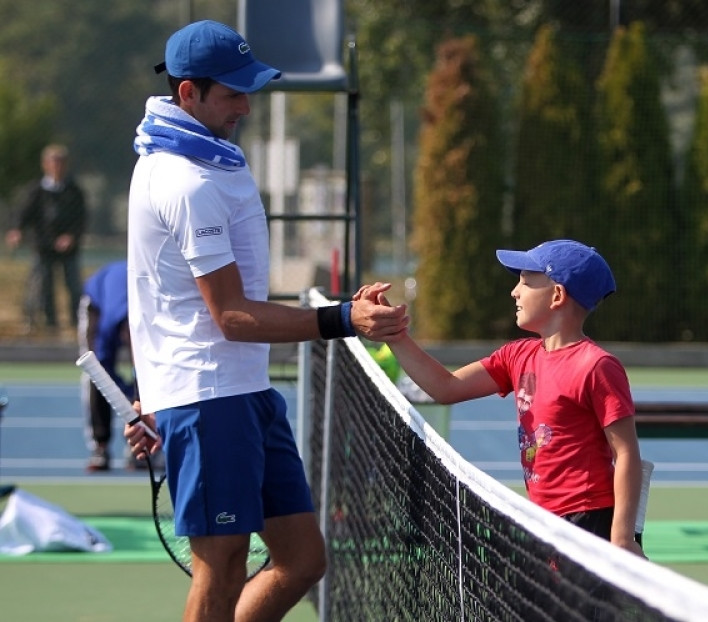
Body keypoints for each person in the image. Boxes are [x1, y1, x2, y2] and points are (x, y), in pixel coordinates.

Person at [123, 20, 408, 622]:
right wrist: (343, 319)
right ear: (188, 94)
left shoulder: (211, 161)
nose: (246, 107)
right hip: (207, 396)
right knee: (221, 564)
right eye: (232, 94)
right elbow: (231, 315)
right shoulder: (184, 179)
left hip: (243, 391)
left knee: (303, 559)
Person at [366, 239, 645, 557]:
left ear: (557, 296)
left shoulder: (596, 366)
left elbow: (626, 454)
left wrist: (621, 537)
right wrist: (395, 336)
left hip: (587, 521)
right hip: (543, 517)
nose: (515, 291)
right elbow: (446, 387)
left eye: (525, 282)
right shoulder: (517, 356)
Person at [5, 144, 87, 333]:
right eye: (53, 162)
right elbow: (24, 214)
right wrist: (16, 230)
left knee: (74, 286)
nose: (56, 166)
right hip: (43, 247)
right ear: (45, 165)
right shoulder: (36, 190)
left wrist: (71, 237)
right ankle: (51, 323)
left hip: (68, 249)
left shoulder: (73, 191)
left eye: (60, 162)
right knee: (43, 286)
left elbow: (81, 218)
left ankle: (77, 323)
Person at [78, 259, 135, 472]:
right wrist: (126, 392)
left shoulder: (151, 320)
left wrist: (137, 393)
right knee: (95, 374)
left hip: (134, 296)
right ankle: (100, 446)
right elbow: (99, 367)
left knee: (151, 377)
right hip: (97, 300)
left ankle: (141, 447)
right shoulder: (108, 323)